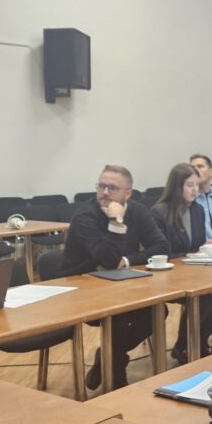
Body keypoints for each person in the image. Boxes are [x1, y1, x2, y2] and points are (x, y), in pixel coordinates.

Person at [59, 164, 169, 390]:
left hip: (121, 285)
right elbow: (108, 259)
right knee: (118, 316)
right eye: (101, 186)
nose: (105, 192)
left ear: (128, 193)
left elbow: (161, 246)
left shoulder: (137, 211)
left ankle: (106, 358)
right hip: (81, 289)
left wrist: (127, 260)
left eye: (112, 188)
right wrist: (116, 221)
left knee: (157, 311)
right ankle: (117, 380)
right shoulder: (85, 216)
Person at [150, 163, 212, 363]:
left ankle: (199, 341)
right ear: (176, 186)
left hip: (194, 272)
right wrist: (188, 255)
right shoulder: (159, 212)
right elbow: (160, 251)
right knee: (205, 297)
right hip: (168, 276)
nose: (195, 189)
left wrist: (206, 246)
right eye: (189, 185)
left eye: (196, 185)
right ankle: (184, 345)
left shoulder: (198, 210)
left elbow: (196, 245)